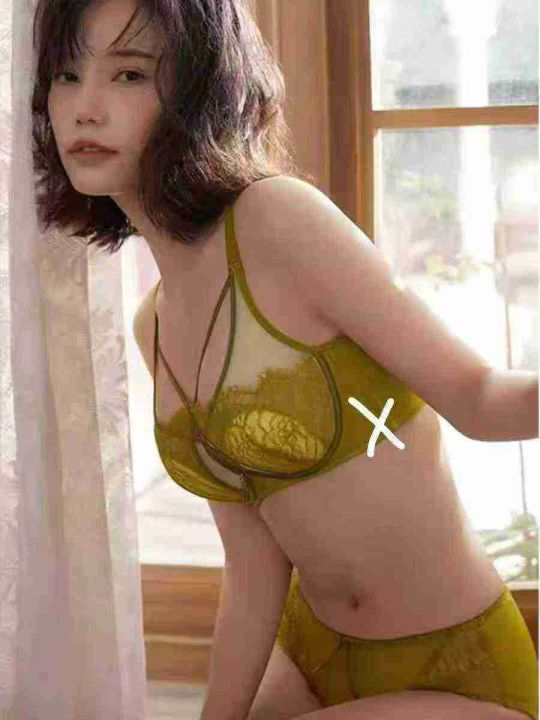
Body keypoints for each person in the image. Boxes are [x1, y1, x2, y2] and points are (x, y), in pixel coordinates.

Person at [35, 0, 539, 719]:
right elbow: (252, 567)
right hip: (306, 656)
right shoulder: (154, 326)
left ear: (199, 91)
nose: (85, 107)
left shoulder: (277, 219)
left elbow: (483, 401)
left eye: (129, 74)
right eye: (66, 74)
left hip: (452, 668)